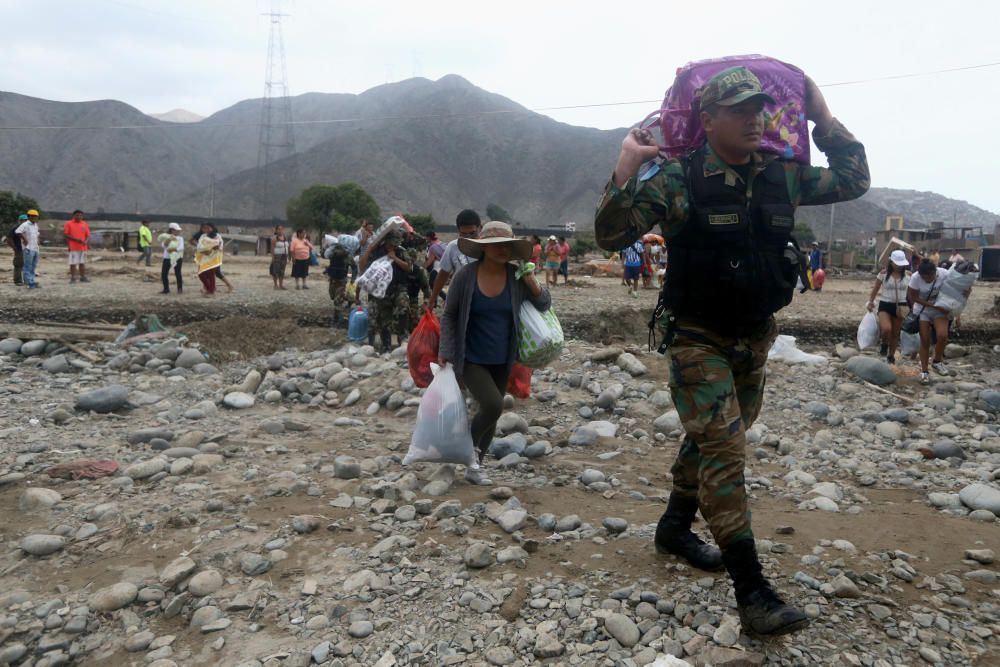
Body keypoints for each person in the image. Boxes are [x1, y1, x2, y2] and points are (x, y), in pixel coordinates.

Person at [594, 65, 869, 635]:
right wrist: (626, 165)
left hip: (754, 336)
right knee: (724, 449)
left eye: (759, 108)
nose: (754, 118)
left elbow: (853, 179)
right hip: (696, 335)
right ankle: (753, 592)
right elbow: (610, 236)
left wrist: (822, 117)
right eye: (739, 109)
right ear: (709, 118)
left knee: (714, 434)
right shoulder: (679, 179)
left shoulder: (782, 176)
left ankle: (673, 528)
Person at [438, 222, 550, 485]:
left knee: (493, 412)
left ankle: (475, 465)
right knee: (493, 405)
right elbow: (450, 314)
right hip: (471, 357)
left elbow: (544, 304)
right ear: (483, 249)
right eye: (495, 245)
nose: (502, 249)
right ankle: (466, 449)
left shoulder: (515, 276)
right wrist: (446, 350)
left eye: (507, 245)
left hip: (503, 358)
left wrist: (530, 278)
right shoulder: (466, 276)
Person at [908, 259, 951, 384]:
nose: (928, 280)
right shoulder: (915, 278)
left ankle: (937, 361)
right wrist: (932, 306)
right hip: (923, 310)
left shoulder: (943, 273)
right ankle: (924, 371)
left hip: (940, 309)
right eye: (925, 278)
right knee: (925, 340)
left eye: (930, 277)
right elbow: (914, 297)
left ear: (935, 272)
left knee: (943, 335)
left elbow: (956, 285)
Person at [428, 209, 482, 308]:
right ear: (458, 231)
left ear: (480, 228)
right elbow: (443, 275)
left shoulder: (488, 247)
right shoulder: (453, 247)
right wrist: (432, 299)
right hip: (460, 300)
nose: (468, 237)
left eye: (472, 233)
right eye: (464, 234)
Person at [866, 250, 910, 364]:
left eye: (901, 264)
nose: (899, 267)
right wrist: (870, 301)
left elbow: (911, 292)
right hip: (885, 304)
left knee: (895, 333)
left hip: (901, 306)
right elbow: (875, 288)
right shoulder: (883, 274)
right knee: (886, 329)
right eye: (897, 264)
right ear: (891, 262)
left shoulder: (908, 275)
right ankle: (884, 343)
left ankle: (891, 356)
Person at [325, 238, 352, 328]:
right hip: (333, 279)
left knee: (337, 301)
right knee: (333, 296)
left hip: (341, 280)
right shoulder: (332, 254)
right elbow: (325, 255)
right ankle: (348, 298)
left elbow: (354, 267)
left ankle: (337, 320)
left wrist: (353, 279)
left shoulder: (347, 256)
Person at [193, 223, 223, 297]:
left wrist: (210, 249)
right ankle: (209, 288)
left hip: (213, 258)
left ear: (212, 228)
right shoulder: (203, 236)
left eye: (208, 228)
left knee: (211, 274)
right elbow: (199, 246)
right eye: (204, 228)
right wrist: (203, 250)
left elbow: (218, 246)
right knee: (201, 274)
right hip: (203, 257)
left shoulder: (217, 236)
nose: (206, 230)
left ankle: (211, 291)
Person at [14, 210, 41, 288]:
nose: (35, 218)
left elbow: (37, 234)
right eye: (33, 216)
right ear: (29, 216)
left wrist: (38, 240)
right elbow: (18, 232)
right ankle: (28, 283)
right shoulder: (25, 225)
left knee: (33, 266)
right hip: (28, 248)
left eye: (36, 217)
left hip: (35, 248)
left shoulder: (35, 225)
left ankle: (32, 281)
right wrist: (24, 239)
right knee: (27, 266)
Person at [63, 210, 90, 283]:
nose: (79, 217)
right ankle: (73, 278)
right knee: (73, 263)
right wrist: (76, 240)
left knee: (82, 263)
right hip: (73, 247)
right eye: (77, 215)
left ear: (82, 216)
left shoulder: (84, 224)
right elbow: (66, 234)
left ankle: (82, 277)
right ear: (74, 216)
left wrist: (86, 241)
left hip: (83, 247)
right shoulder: (68, 224)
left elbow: (88, 235)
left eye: (80, 215)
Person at [160, 222, 184, 294]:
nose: (178, 231)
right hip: (167, 257)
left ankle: (180, 288)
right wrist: (169, 239)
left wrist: (174, 249)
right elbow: (163, 246)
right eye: (177, 230)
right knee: (164, 273)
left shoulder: (180, 238)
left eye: (178, 230)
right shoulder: (166, 237)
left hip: (177, 258)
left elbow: (181, 247)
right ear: (172, 230)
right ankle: (166, 289)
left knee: (178, 273)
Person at [5, 213, 27, 285]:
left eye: (26, 220)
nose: (25, 222)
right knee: (18, 265)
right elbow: (9, 238)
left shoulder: (28, 228)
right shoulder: (15, 228)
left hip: (27, 249)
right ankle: (18, 281)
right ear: (20, 221)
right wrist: (14, 248)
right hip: (19, 249)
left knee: (27, 265)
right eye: (23, 220)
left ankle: (27, 280)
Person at [424, 231, 445, 303]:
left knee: (432, 284)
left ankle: (445, 297)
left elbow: (430, 260)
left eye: (426, 237)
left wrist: (422, 267)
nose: (425, 238)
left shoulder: (433, 247)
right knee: (435, 284)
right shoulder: (440, 242)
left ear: (429, 237)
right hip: (444, 266)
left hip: (438, 267)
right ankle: (435, 302)